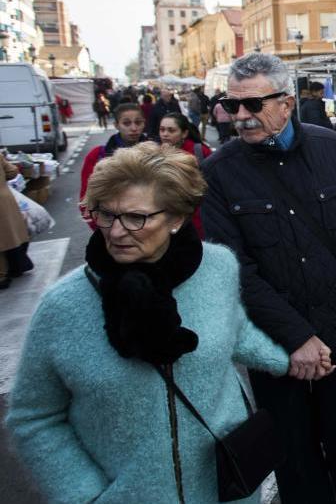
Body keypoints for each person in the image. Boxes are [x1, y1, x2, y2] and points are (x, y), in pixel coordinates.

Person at [6, 142, 290, 503]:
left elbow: (235, 329)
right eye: (106, 214)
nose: (116, 232)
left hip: (230, 491)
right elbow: (33, 418)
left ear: (176, 218)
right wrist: (84, 495)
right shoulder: (62, 307)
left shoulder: (218, 267)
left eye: (136, 218)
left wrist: (289, 358)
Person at [201, 53, 336, 504]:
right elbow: (235, 271)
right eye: (233, 106)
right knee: (292, 451)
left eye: (253, 105)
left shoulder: (334, 149)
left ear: (287, 103)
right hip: (274, 343)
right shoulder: (218, 173)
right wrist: (295, 337)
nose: (241, 117)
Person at [80, 103, 152, 226]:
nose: (134, 128)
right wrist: (103, 229)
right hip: (112, 226)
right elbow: (86, 199)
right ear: (116, 125)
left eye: (138, 122)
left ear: (144, 123)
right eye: (127, 123)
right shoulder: (97, 155)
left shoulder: (156, 153)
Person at [0, 153, 32, 289]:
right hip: (4, 200)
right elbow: (12, 171)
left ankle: (2, 275)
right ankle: (16, 267)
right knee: (12, 236)